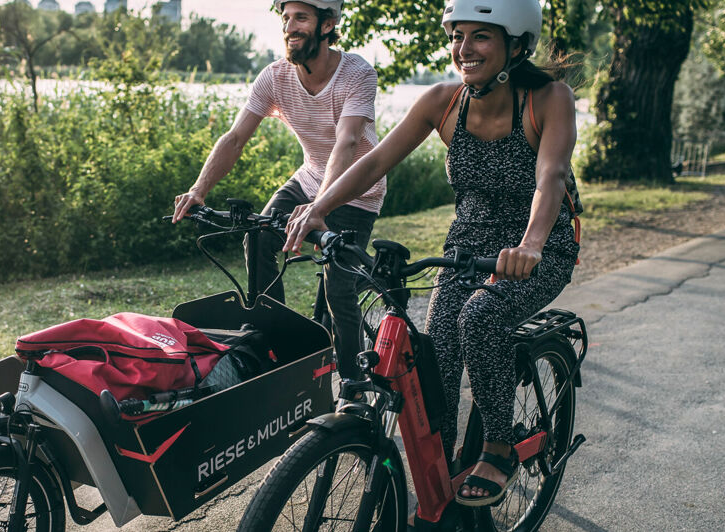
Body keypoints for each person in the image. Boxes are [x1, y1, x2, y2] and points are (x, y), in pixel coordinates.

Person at [282, 0, 580, 508]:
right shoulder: (443, 101)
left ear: (515, 42)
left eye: (481, 36)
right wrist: (319, 206)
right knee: (432, 363)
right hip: (466, 249)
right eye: (457, 35)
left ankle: (500, 447)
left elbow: (549, 178)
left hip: (539, 246)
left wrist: (530, 244)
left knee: (482, 316)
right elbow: (375, 160)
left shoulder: (548, 99)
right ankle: (436, 490)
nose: (464, 49)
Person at [171, 0, 386, 380]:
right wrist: (198, 189)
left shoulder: (357, 73)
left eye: (301, 18)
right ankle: (279, 344)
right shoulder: (274, 77)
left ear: (327, 24)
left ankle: (353, 384)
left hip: (356, 189)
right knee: (259, 238)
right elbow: (236, 137)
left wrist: (321, 206)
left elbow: (347, 141)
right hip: (310, 177)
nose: (290, 26)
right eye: (286, 18)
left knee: (339, 289)